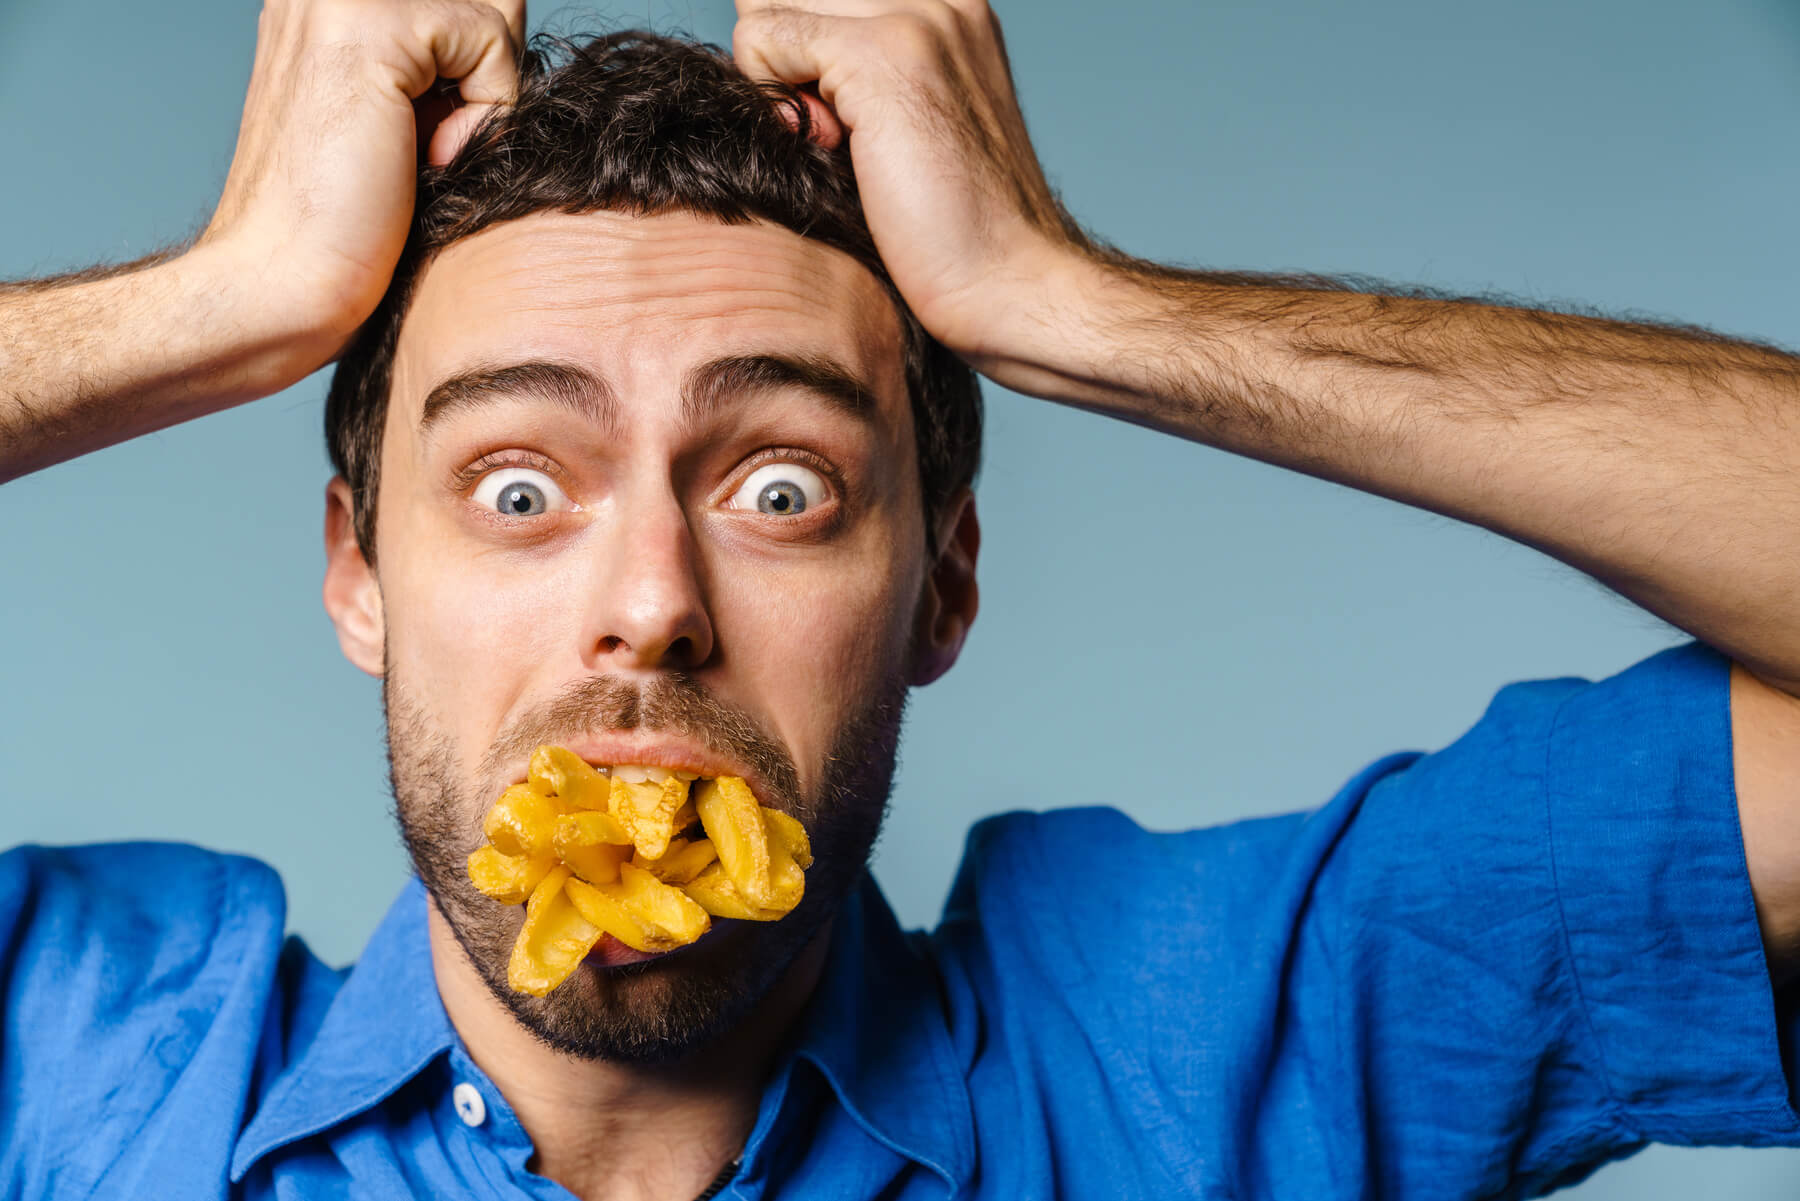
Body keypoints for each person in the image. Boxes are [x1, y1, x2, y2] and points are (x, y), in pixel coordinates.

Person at [3, 1, 1798, 1198]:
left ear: (940, 586)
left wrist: (1076, 308)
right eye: (522, 488)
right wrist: (224, 297)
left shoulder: (1232, 1046)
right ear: (358, 574)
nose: (649, 605)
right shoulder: (73, 1066)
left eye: (781, 489)